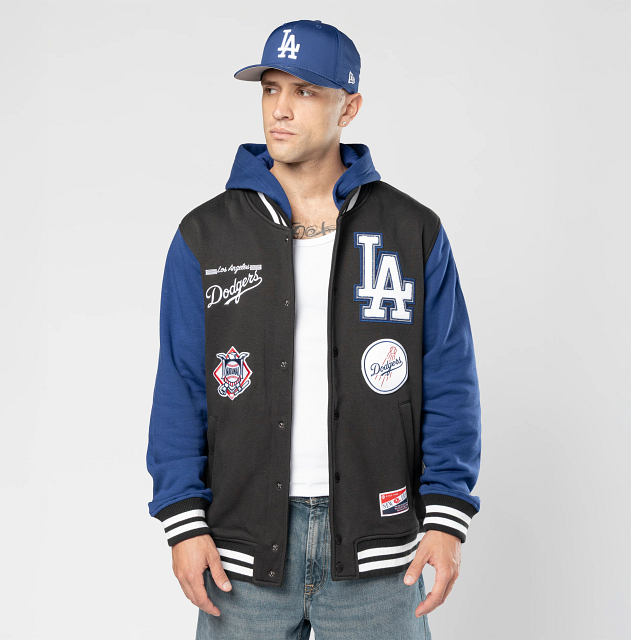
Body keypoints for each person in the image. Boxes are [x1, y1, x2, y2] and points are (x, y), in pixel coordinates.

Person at [146, 19, 482, 640]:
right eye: (270, 89)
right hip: (242, 551)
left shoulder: (411, 231)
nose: (280, 109)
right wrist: (183, 522)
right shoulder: (206, 235)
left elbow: (449, 378)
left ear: (348, 108)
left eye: (304, 91)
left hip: (380, 549)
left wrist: (446, 515)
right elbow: (182, 382)